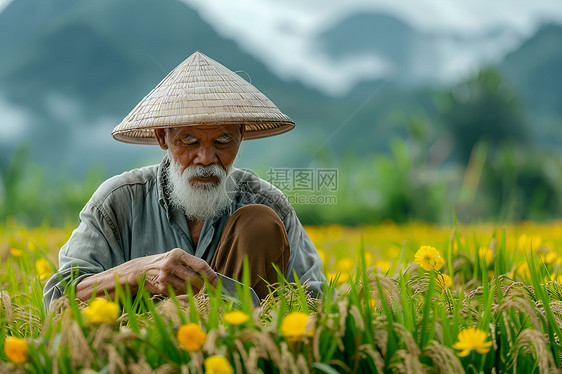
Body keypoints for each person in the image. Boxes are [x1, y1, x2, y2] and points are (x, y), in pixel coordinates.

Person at [43, 51, 326, 309]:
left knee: (259, 223)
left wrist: (219, 291)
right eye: (189, 142)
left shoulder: (268, 201)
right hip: (144, 354)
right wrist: (138, 273)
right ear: (161, 137)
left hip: (236, 351)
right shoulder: (119, 201)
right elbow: (59, 297)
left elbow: (317, 300)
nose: (205, 158)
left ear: (241, 135)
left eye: (222, 141)